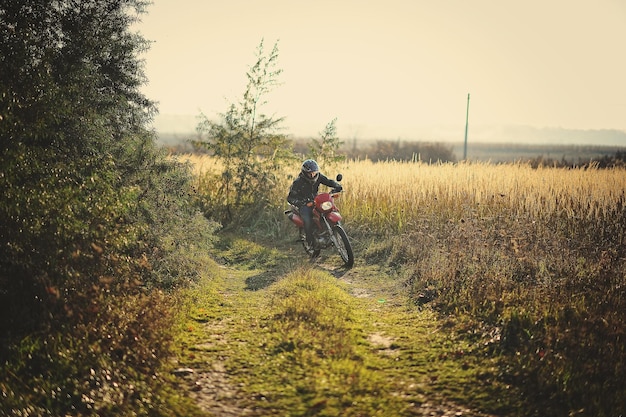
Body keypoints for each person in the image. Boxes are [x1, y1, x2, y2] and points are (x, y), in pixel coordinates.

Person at [287, 159, 342, 250]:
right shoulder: (298, 182)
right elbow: (290, 198)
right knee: (307, 221)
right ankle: (311, 242)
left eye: (314, 172)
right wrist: (301, 203)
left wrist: (337, 186)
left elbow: (328, 181)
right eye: (310, 173)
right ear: (304, 173)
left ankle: (332, 232)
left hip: (316, 201)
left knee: (330, 209)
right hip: (305, 205)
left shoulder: (319, 176)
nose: (313, 175)